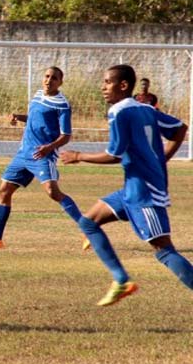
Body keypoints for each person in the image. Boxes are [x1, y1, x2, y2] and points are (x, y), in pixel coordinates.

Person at [60, 64, 192, 306]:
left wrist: (78, 156)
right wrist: (160, 159)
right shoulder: (145, 108)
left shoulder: (119, 111)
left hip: (145, 193)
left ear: (123, 85)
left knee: (164, 250)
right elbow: (179, 128)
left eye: (107, 82)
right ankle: (121, 280)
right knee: (88, 221)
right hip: (132, 189)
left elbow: (115, 154)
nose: (103, 87)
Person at [0, 66, 83, 248]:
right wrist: (19, 117)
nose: (49, 80)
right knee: (4, 191)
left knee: (53, 192)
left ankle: (89, 231)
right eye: (46, 76)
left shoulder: (62, 104)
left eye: (54, 78)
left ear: (60, 82)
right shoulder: (38, 95)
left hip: (42, 155)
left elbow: (66, 135)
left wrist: (49, 148)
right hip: (23, 153)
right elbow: (33, 117)